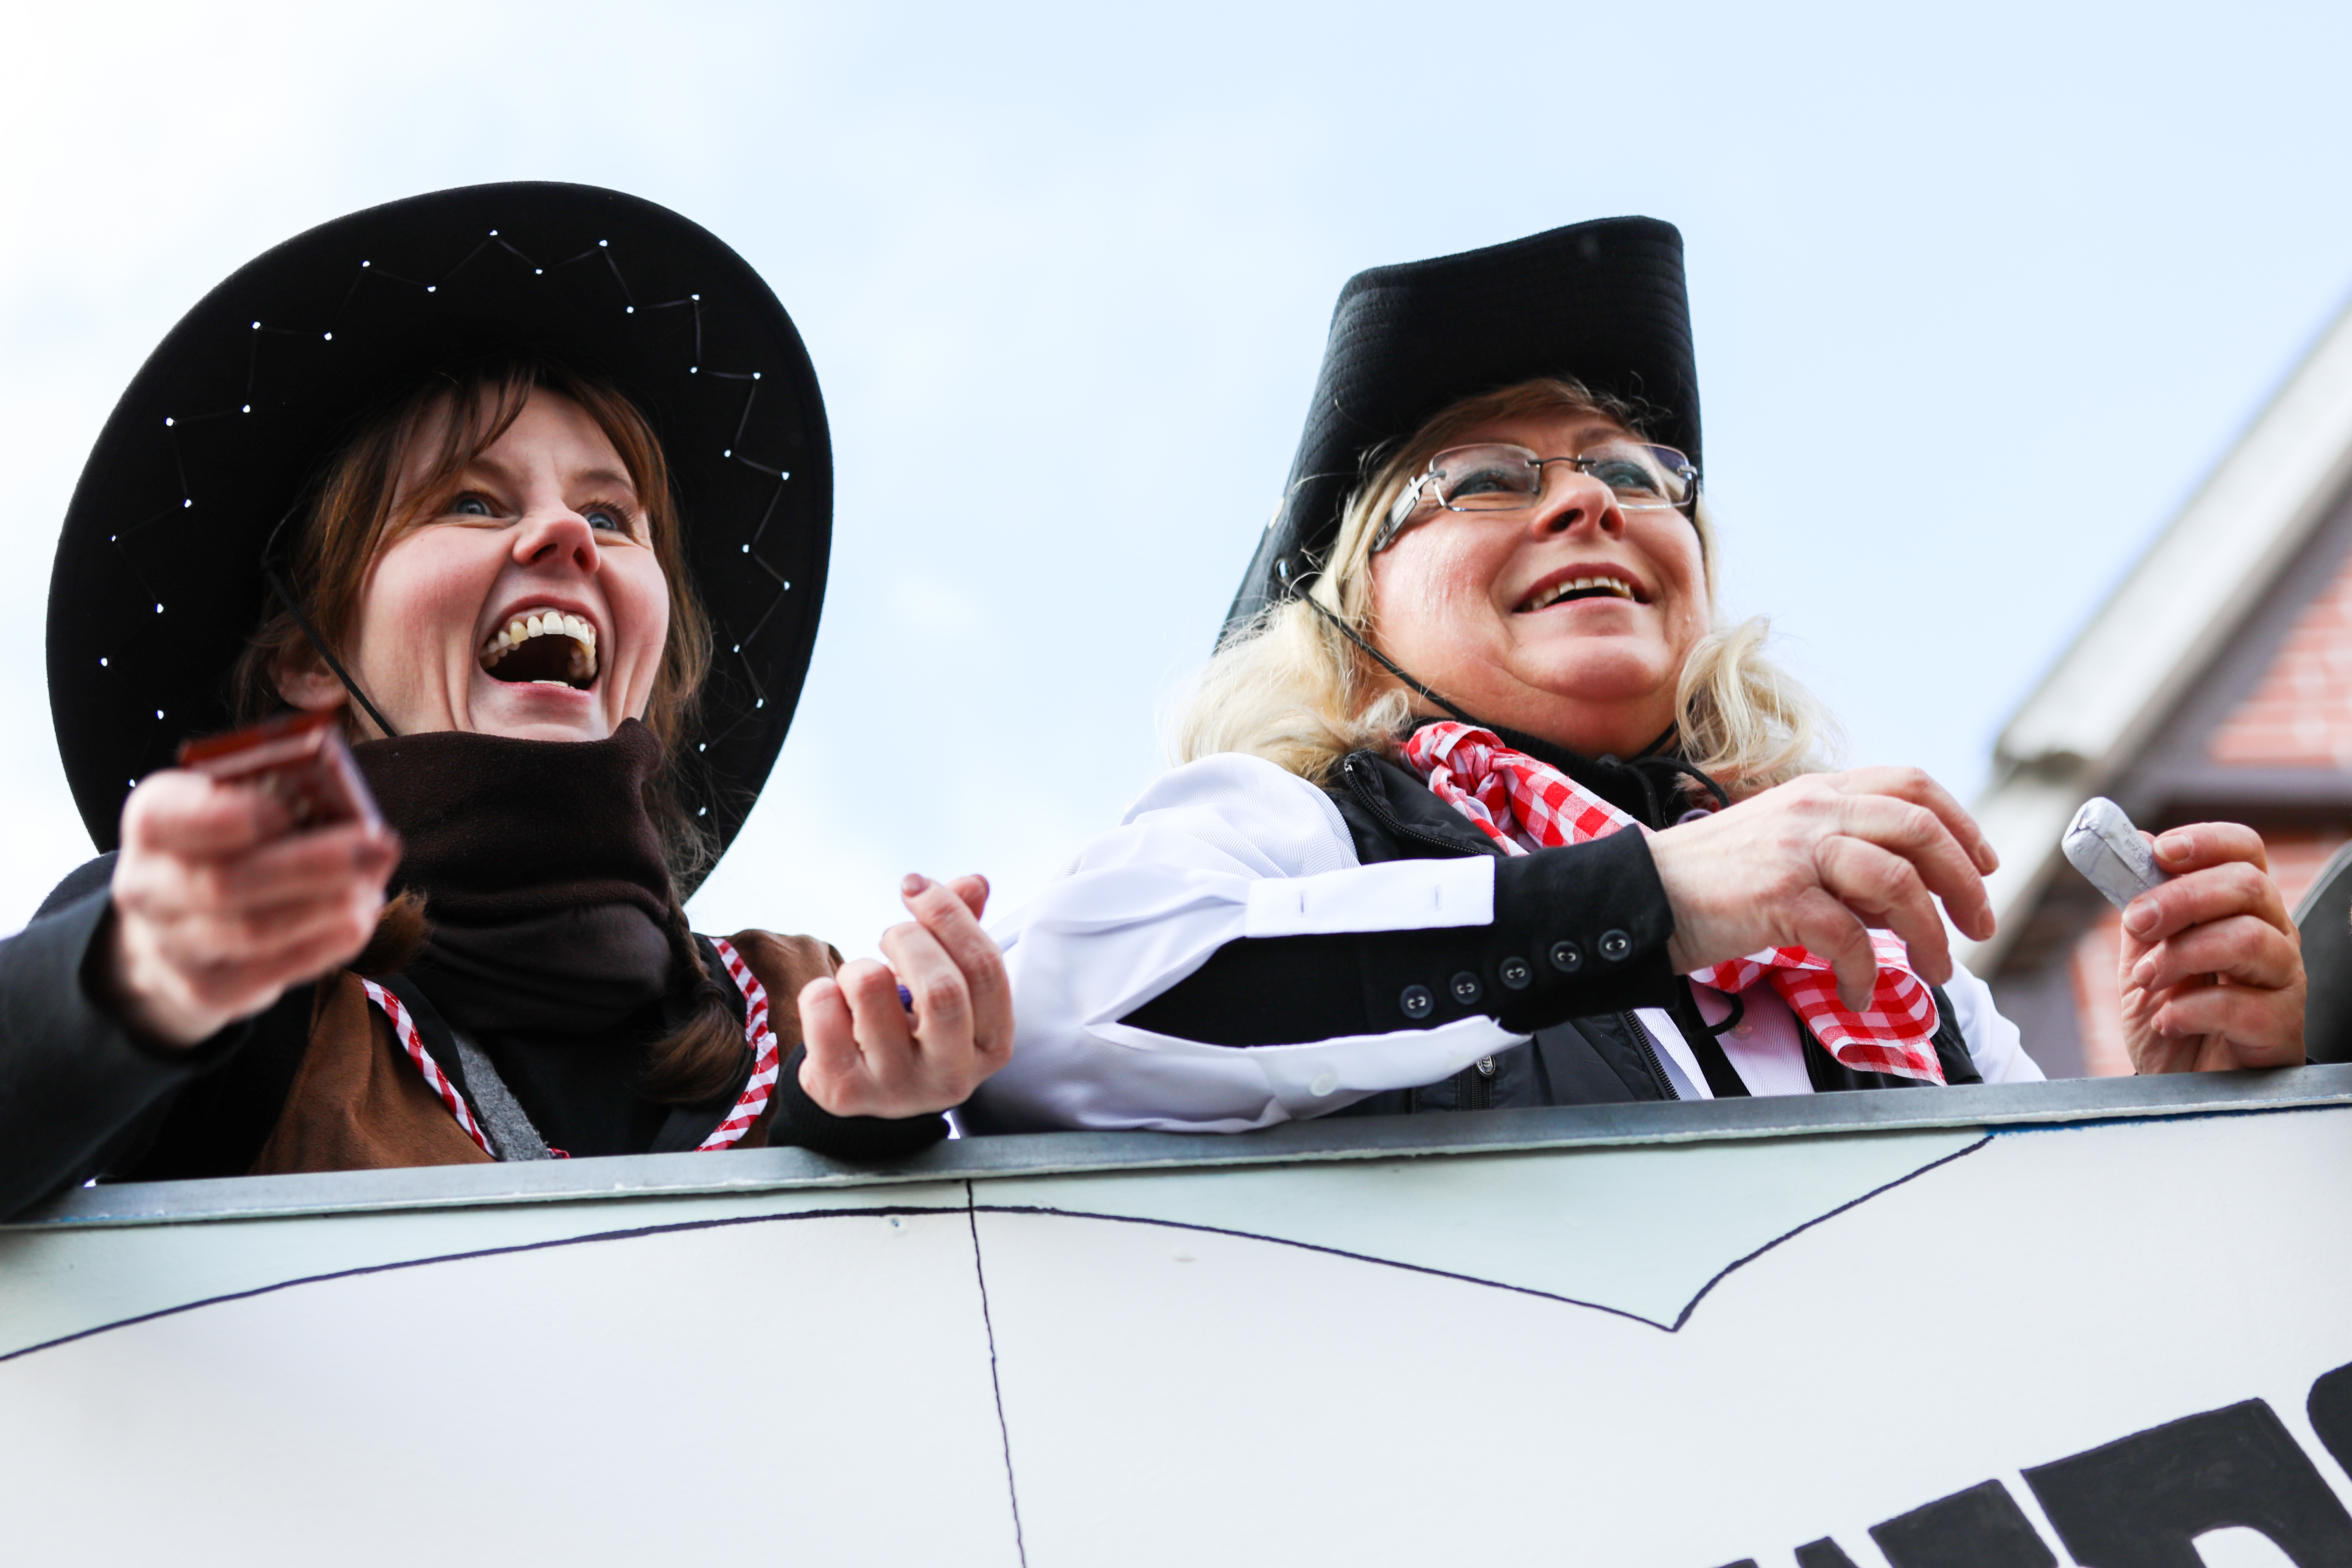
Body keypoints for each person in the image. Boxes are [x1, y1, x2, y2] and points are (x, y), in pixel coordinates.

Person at [966, 217, 2305, 1133]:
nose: (1589, 503)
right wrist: (1650, 899)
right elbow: (1043, 1016)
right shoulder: (1303, 827)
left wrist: (2191, 1113)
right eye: (1484, 479)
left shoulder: (1896, 963)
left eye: (1631, 471)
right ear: (1353, 604)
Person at [0, 183, 1009, 1218]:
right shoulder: (250, 991)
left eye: (610, 516)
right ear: (306, 660)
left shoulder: (804, 1006)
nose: (565, 535)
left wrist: (856, 1125)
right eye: (472, 501)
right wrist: (130, 974)